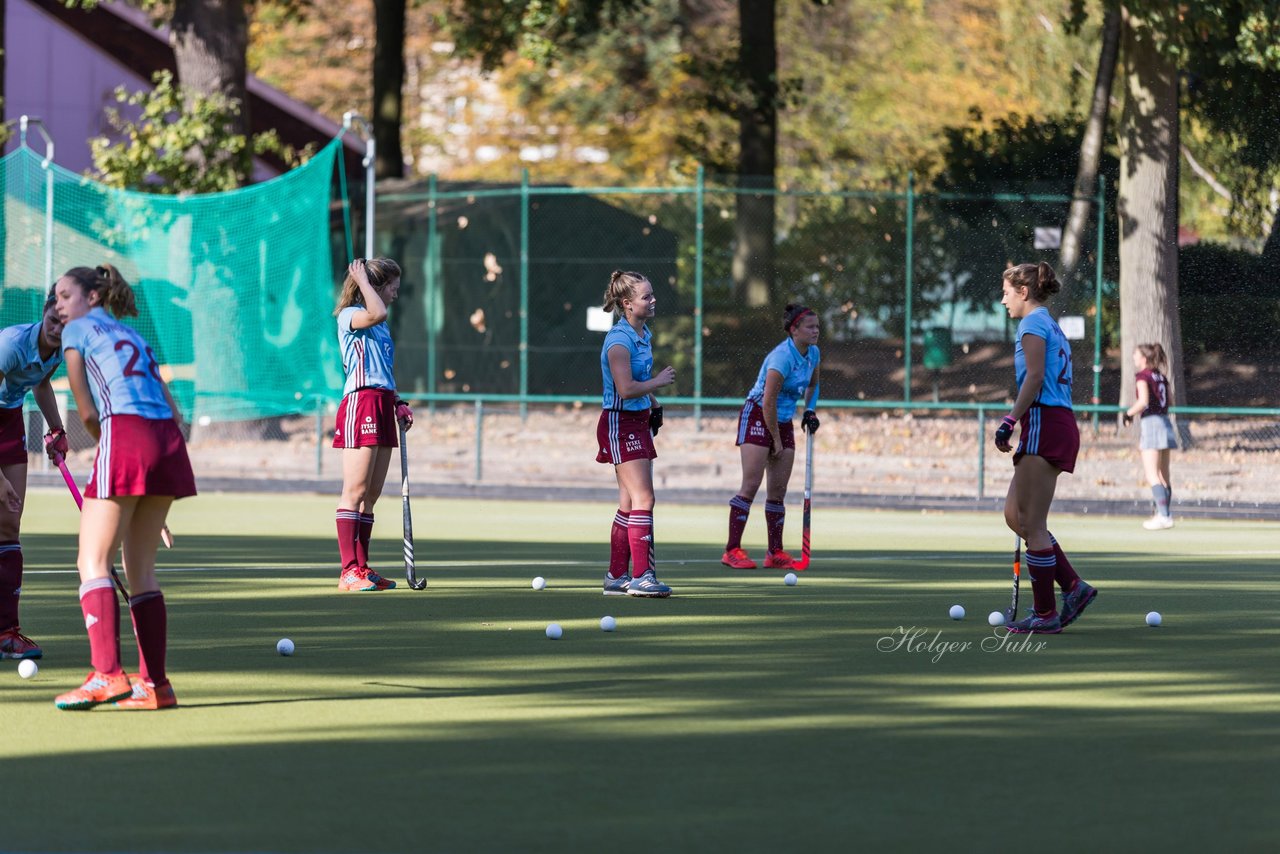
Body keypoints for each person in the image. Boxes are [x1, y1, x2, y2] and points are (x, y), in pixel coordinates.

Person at [52, 264, 197, 710]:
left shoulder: (77, 331)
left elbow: (90, 414)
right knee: (140, 570)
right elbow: (173, 414)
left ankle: (107, 676)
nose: (58, 307)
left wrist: (113, 458)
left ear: (92, 297)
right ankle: (156, 686)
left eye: (64, 296)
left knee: (91, 559)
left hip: (127, 435)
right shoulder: (133, 335)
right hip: (168, 442)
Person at [995, 262, 1096, 634]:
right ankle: (1073, 586)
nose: (1003, 299)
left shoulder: (1033, 323)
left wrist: (1009, 420)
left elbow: (1036, 377)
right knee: (1014, 515)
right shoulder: (1048, 322)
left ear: (1023, 292)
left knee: (1033, 524)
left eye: (1007, 292)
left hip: (1045, 421)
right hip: (1051, 422)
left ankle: (1045, 613)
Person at [332, 258, 413, 592]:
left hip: (381, 403)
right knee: (354, 491)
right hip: (360, 402)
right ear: (377, 286)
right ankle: (347, 571)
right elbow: (376, 310)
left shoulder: (381, 327)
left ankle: (362, 568)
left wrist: (398, 401)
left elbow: (384, 373)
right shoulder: (352, 315)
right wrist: (363, 282)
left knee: (372, 495)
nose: (396, 292)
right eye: (392, 285)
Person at [721, 304, 821, 570]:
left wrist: (809, 410)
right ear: (794, 330)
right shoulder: (781, 359)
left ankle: (774, 552)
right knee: (751, 484)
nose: (816, 331)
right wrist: (775, 440)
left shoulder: (813, 355)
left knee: (778, 490)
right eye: (810, 327)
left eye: (817, 326)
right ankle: (732, 550)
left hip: (784, 419)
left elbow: (813, 385)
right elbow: (768, 402)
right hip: (757, 414)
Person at [596, 270, 676, 598]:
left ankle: (617, 575)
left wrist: (654, 404)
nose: (653, 300)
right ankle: (642, 577)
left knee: (629, 502)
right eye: (647, 296)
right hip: (620, 422)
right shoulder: (619, 341)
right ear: (627, 304)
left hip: (638, 419)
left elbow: (638, 385)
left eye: (652, 294)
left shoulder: (644, 334)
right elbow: (626, 389)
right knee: (645, 498)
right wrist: (657, 383)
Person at [0, 293, 71, 661]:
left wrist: (57, 429)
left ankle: (6, 633)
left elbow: (41, 382)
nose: (58, 329)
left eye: (65, 323)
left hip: (9, 421)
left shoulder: (58, 350)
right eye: (53, 321)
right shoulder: (11, 345)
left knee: (10, 524)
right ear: (43, 313)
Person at [1123, 343, 1177, 530]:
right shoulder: (1161, 376)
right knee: (1164, 474)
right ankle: (1163, 514)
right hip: (1165, 422)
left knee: (1152, 474)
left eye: (1136, 355)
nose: (1134, 358)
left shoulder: (1142, 376)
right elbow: (1170, 400)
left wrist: (1128, 414)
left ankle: (1164, 516)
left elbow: (1143, 401)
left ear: (1144, 359)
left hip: (1152, 424)